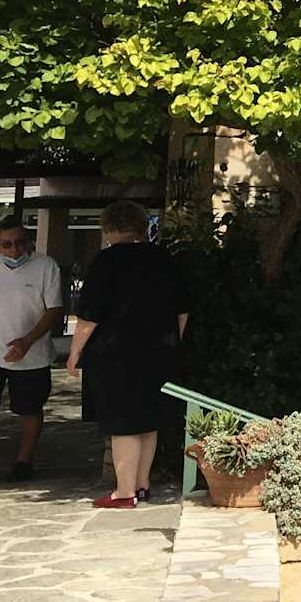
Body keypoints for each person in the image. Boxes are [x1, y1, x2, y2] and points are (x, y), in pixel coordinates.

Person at [66, 199, 187, 508]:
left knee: (122, 422)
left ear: (108, 227)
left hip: (115, 353)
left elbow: (89, 315)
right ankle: (142, 484)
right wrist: (172, 342)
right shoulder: (163, 258)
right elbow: (182, 309)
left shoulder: (106, 261)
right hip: (159, 350)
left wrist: (74, 352)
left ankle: (124, 491)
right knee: (149, 420)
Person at [0, 217, 66, 494]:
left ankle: (24, 460)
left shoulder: (46, 266)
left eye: (19, 243)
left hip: (32, 353)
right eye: (6, 245)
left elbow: (54, 309)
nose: (14, 249)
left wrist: (27, 341)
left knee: (29, 408)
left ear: (28, 242)